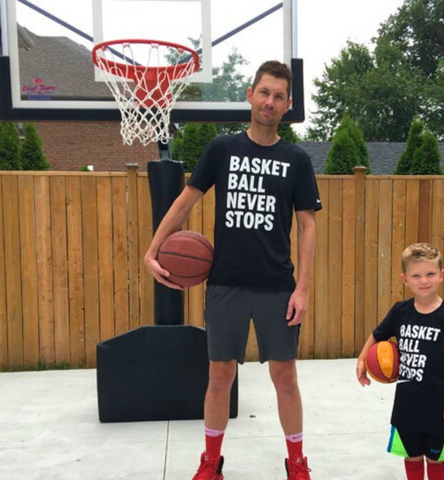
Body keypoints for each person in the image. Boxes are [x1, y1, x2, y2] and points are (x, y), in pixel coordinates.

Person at [144, 60, 322, 480]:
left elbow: (307, 225)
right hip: (225, 283)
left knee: (286, 378)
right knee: (220, 376)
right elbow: (185, 201)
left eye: (279, 96)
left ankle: (296, 463)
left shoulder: (296, 159)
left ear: (287, 105)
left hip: (278, 286)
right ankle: (211, 462)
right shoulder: (223, 148)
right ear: (250, 94)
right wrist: (152, 250)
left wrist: (303, 289)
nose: (270, 101)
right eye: (264, 92)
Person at [356, 243, 444, 480]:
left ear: (441, 275)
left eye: (430, 274)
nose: (423, 280)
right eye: (416, 275)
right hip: (407, 405)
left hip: (439, 406)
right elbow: (378, 335)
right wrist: (362, 360)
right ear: (405, 279)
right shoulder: (400, 311)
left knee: (436, 458)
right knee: (412, 456)